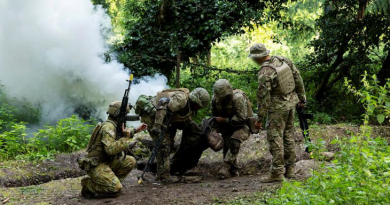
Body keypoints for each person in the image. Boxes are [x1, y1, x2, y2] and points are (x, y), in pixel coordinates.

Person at [249, 43, 306, 183]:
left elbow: (263, 98)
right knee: (288, 136)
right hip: (291, 103)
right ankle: (290, 169)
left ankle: (277, 172)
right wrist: (302, 98)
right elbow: (297, 77)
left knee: (275, 138)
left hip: (277, 108)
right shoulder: (282, 60)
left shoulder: (264, 72)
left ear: (257, 57)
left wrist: (259, 118)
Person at [79, 101, 147, 198]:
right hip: (96, 165)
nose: (126, 117)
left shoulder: (114, 125)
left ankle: (109, 182)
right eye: (125, 115)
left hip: (107, 161)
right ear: (118, 115)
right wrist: (125, 138)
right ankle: (89, 184)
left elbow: (121, 133)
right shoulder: (108, 127)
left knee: (130, 161)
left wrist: (136, 130)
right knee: (116, 188)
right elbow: (110, 150)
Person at [150, 88, 210, 183]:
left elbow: (175, 118)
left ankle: (163, 172)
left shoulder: (189, 106)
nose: (197, 108)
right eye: (198, 106)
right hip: (154, 116)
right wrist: (157, 126)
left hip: (163, 119)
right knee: (164, 146)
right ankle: (164, 176)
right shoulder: (182, 100)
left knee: (167, 145)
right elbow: (162, 104)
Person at [211, 79, 253, 179]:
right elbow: (214, 117)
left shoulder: (237, 98)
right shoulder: (215, 100)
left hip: (242, 126)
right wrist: (214, 130)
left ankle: (225, 167)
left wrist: (225, 120)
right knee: (227, 146)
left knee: (234, 141)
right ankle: (233, 169)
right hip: (227, 127)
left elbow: (241, 118)